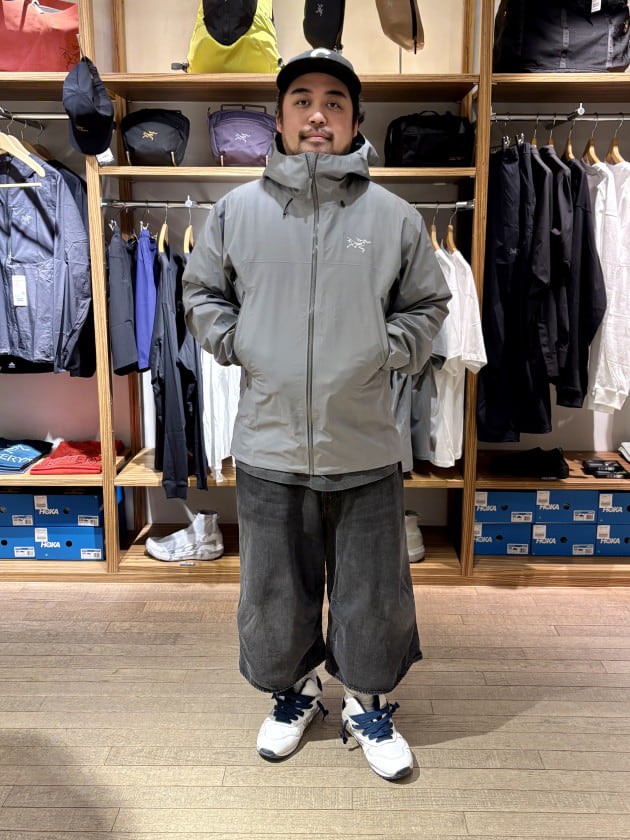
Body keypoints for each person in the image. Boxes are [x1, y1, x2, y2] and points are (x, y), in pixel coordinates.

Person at [182, 48, 450, 780]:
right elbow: (201, 293)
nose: (318, 114)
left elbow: (429, 303)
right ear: (279, 118)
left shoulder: (393, 217)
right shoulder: (236, 213)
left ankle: (367, 699)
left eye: (335, 102)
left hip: (364, 443)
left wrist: (384, 349)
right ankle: (294, 692)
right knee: (275, 591)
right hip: (269, 443)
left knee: (373, 592)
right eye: (302, 100)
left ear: (356, 121)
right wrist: (238, 342)